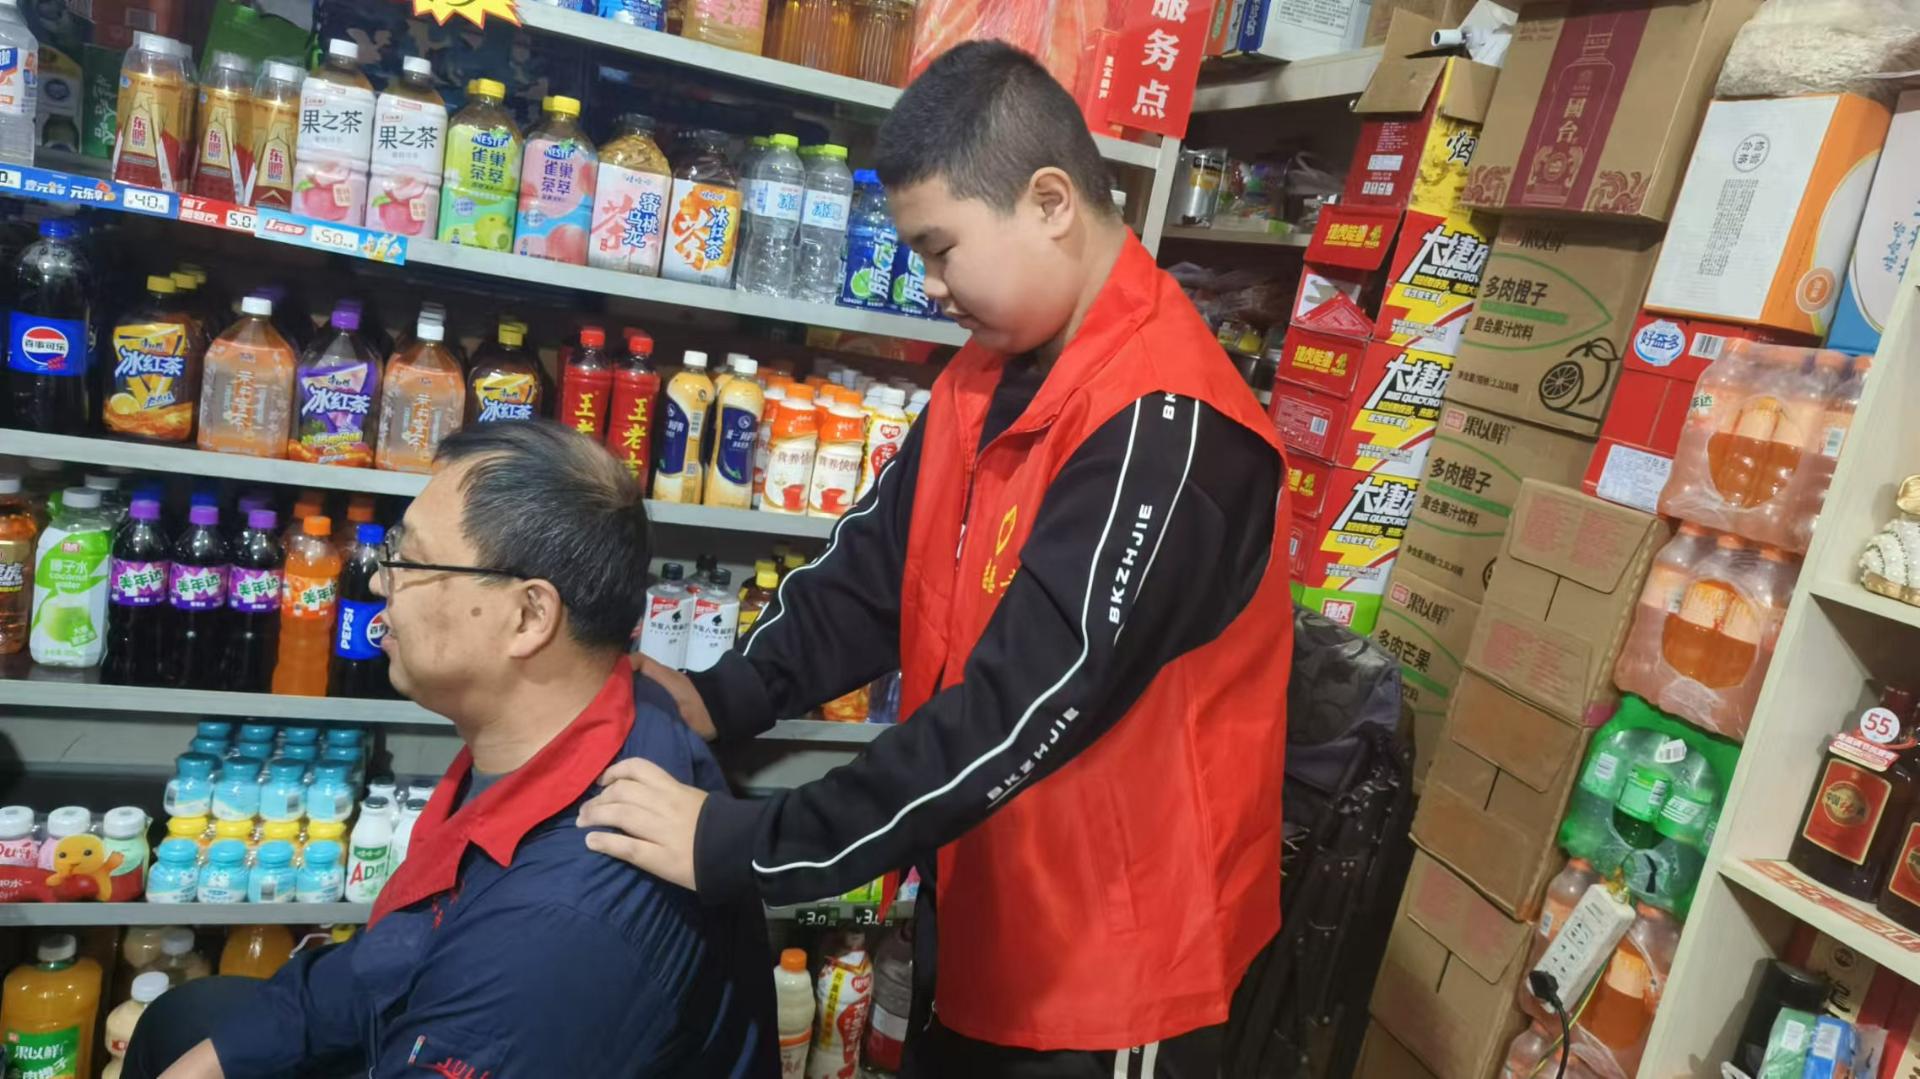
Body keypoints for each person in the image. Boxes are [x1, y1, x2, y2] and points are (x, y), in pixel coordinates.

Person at [579, 41, 1294, 1077]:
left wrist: (747, 846)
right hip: (989, 894)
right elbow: (877, 568)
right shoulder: (993, 367)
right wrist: (724, 695)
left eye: (941, 248)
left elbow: (1013, 706)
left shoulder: (1168, 432)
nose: (930, 285)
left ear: (1050, 202)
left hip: (1115, 964)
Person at [130, 421, 777, 1079]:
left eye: (409, 562)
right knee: (187, 1023)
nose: (379, 585)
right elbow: (402, 949)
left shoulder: (552, 934)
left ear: (528, 616)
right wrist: (218, 1056)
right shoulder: (591, 717)